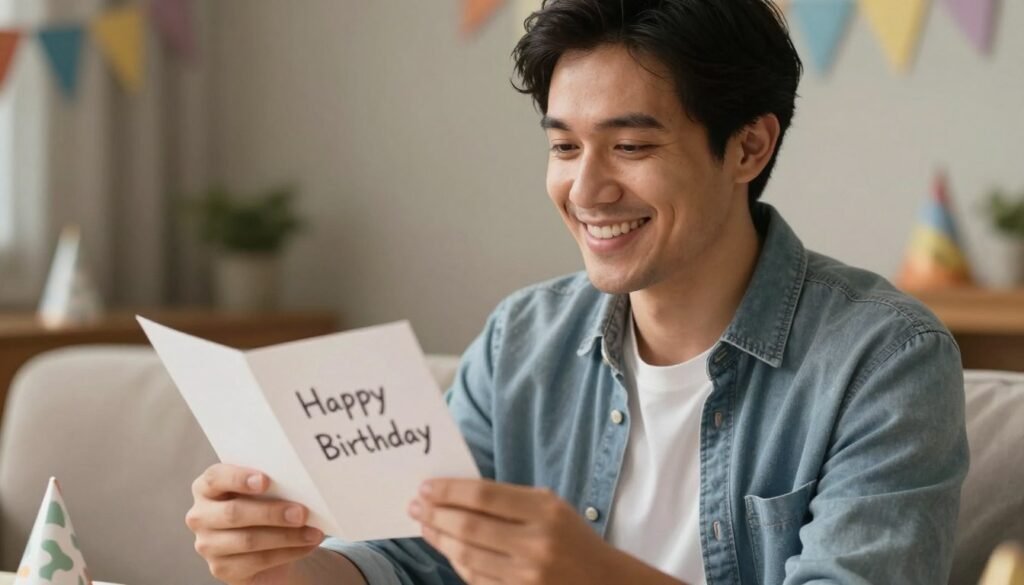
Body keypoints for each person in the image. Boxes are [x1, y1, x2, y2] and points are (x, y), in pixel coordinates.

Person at [184, 1, 969, 584]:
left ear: (748, 146)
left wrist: (595, 575)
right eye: (564, 145)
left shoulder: (886, 358)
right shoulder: (521, 337)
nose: (586, 187)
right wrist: (281, 560)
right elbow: (414, 562)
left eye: (630, 145)